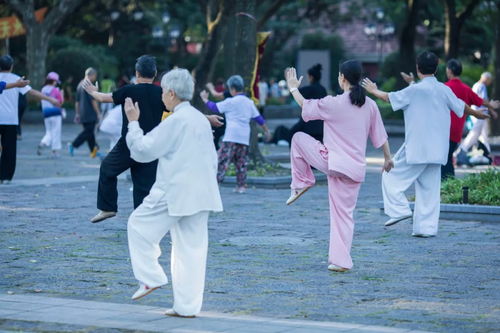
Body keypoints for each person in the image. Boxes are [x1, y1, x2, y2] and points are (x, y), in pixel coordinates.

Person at [124, 68, 223, 318]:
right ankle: (186, 306)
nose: (161, 97)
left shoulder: (177, 120)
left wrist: (133, 122)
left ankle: (151, 276)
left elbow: (143, 150)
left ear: (170, 93)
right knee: (191, 249)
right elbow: (213, 159)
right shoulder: (200, 119)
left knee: (138, 225)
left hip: (175, 190)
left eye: (163, 93)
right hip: (202, 191)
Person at [362, 51, 489, 237]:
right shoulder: (444, 90)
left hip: (417, 148)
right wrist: (479, 114)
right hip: (438, 150)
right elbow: (462, 107)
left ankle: (399, 210)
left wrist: (373, 90)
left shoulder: (414, 90)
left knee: (390, 176)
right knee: (429, 190)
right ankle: (426, 229)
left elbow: (389, 97)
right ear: (437, 69)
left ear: (417, 68)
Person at [84, 56, 224, 223]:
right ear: (155, 73)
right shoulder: (161, 93)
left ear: (137, 73)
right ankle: (142, 220)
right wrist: (207, 118)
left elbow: (101, 98)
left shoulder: (128, 90)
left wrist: (91, 90)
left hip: (128, 144)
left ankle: (108, 208)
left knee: (107, 168)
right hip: (152, 143)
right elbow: (183, 110)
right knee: (144, 186)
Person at [284, 61, 393, 272]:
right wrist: (388, 159)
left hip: (332, 162)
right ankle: (342, 262)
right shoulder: (369, 104)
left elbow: (304, 106)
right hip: (355, 169)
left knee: (297, 138)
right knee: (344, 216)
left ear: (342, 78)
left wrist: (293, 87)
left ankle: (303, 181)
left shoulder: (334, 103)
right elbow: (381, 136)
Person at [405, 59, 499, 179]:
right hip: (456, 133)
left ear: (449, 71)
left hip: (441, 130)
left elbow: (424, 93)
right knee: (447, 158)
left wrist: (412, 83)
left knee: (443, 160)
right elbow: (480, 101)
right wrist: (491, 106)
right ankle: (448, 185)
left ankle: (446, 185)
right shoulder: (466, 89)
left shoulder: (444, 88)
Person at [200, 75, 271, 193]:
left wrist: (205, 99)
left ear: (232, 89)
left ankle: (215, 184)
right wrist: (266, 130)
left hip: (231, 136)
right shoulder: (249, 102)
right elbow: (259, 118)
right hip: (244, 137)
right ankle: (241, 186)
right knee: (241, 163)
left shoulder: (230, 102)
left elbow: (215, 107)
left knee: (222, 161)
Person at [0, 55, 59, 184]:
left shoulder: (15, 81)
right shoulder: (17, 80)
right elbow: (32, 93)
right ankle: (5, 177)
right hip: (10, 120)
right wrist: (50, 99)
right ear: (11, 66)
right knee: (9, 149)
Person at [272, 64, 327, 145]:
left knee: (284, 131)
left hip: (308, 125)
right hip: (320, 127)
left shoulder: (310, 89)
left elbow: (294, 92)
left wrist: (289, 80)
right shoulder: (323, 90)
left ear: (311, 77)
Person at [457, 72, 498, 165]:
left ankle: (488, 155)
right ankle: (462, 151)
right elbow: (483, 100)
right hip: (480, 114)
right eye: (490, 80)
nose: (490, 83)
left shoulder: (476, 85)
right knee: (475, 134)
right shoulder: (481, 86)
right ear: (486, 78)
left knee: (483, 136)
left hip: (477, 114)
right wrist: (492, 110)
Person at [69, 68, 101, 158]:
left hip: (83, 113)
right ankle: (74, 144)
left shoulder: (80, 84)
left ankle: (94, 150)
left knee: (89, 133)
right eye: (95, 76)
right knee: (88, 132)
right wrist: (98, 112)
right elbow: (93, 100)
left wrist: (77, 113)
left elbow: (77, 102)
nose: (95, 78)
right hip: (90, 113)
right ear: (92, 75)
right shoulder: (89, 85)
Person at [37, 72, 65, 158]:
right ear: (54, 81)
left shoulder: (43, 89)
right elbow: (60, 103)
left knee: (49, 131)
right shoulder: (55, 90)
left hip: (46, 113)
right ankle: (55, 151)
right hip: (55, 113)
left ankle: (43, 142)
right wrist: (62, 94)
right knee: (56, 132)